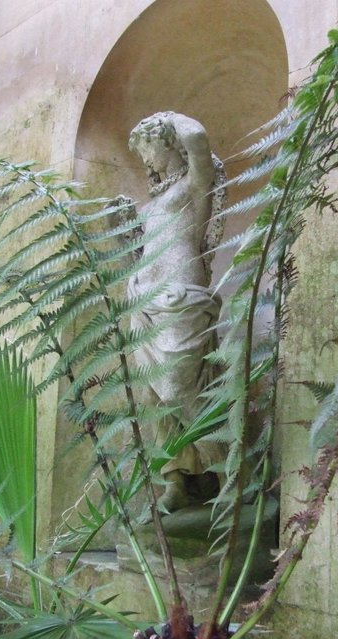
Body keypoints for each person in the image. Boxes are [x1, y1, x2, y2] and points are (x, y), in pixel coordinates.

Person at [127, 111, 227, 512]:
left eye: (147, 146)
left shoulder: (193, 185)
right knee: (155, 398)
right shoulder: (152, 202)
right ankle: (175, 480)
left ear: (167, 141)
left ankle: (228, 473)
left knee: (185, 392)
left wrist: (166, 117)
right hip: (144, 302)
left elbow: (198, 137)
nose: (144, 158)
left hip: (179, 299)